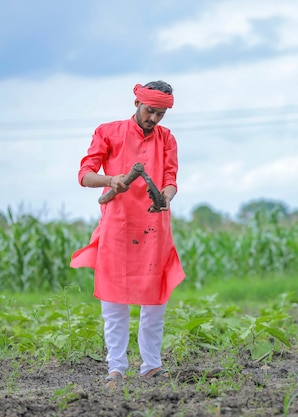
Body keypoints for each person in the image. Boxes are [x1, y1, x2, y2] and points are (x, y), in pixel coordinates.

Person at [70, 80, 186, 383]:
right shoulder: (107, 132)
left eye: (160, 114)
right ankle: (116, 367)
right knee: (114, 301)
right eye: (150, 111)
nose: (154, 119)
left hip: (154, 227)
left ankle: (151, 364)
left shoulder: (167, 139)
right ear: (136, 104)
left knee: (155, 300)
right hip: (118, 227)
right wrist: (111, 181)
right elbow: (84, 175)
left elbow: (171, 178)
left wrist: (166, 196)